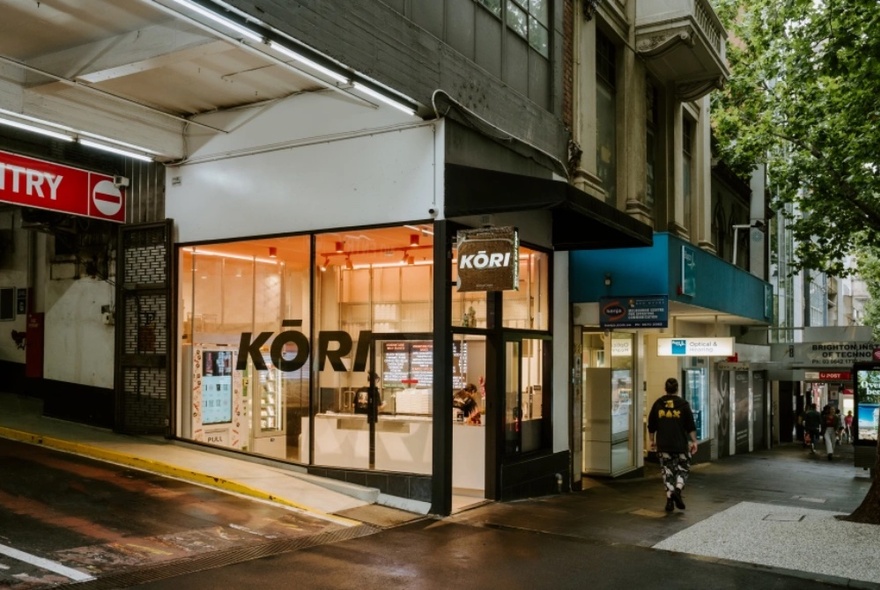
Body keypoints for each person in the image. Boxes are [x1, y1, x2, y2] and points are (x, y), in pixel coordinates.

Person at [647, 377, 698, 513]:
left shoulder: (658, 404)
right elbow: (690, 427)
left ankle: (670, 501)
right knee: (684, 467)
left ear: (665, 389)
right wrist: (694, 441)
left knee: (667, 471)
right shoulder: (683, 405)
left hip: (663, 444)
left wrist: (652, 441)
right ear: (677, 389)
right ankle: (677, 490)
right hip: (680, 444)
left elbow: (651, 425)